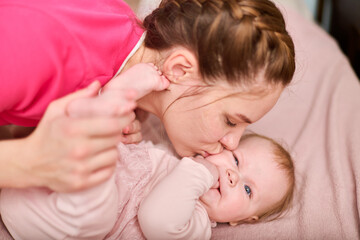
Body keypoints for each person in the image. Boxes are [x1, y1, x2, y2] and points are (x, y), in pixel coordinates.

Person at [0, 0, 295, 192]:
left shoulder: (117, 31)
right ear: (179, 69)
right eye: (230, 121)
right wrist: (28, 161)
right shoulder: (46, 46)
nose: (232, 143)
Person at [0, 132, 295, 240]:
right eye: (236, 160)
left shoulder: (197, 225)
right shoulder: (172, 152)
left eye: (247, 190)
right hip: (31, 179)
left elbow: (156, 218)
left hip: (57, 220)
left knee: (100, 207)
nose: (232, 176)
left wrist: (201, 171)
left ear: (240, 220)